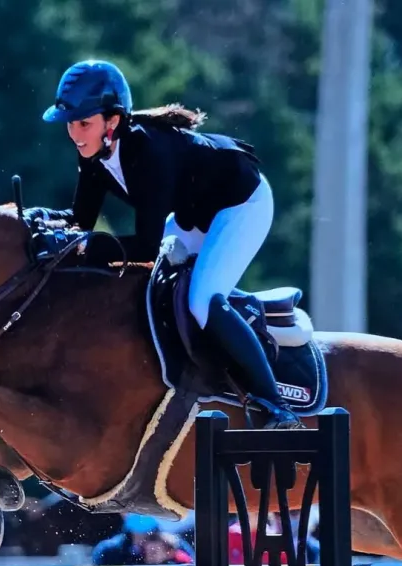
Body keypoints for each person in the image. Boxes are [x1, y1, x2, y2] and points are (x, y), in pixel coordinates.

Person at [33, 59, 301, 430]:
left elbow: (143, 247)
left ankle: (275, 404)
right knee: (154, 290)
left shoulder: (147, 152)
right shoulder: (95, 154)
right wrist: (36, 221)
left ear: (112, 122)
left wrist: (77, 247)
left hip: (241, 206)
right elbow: (80, 220)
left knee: (201, 300)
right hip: (195, 214)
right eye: (70, 124)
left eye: (84, 123)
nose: (75, 134)